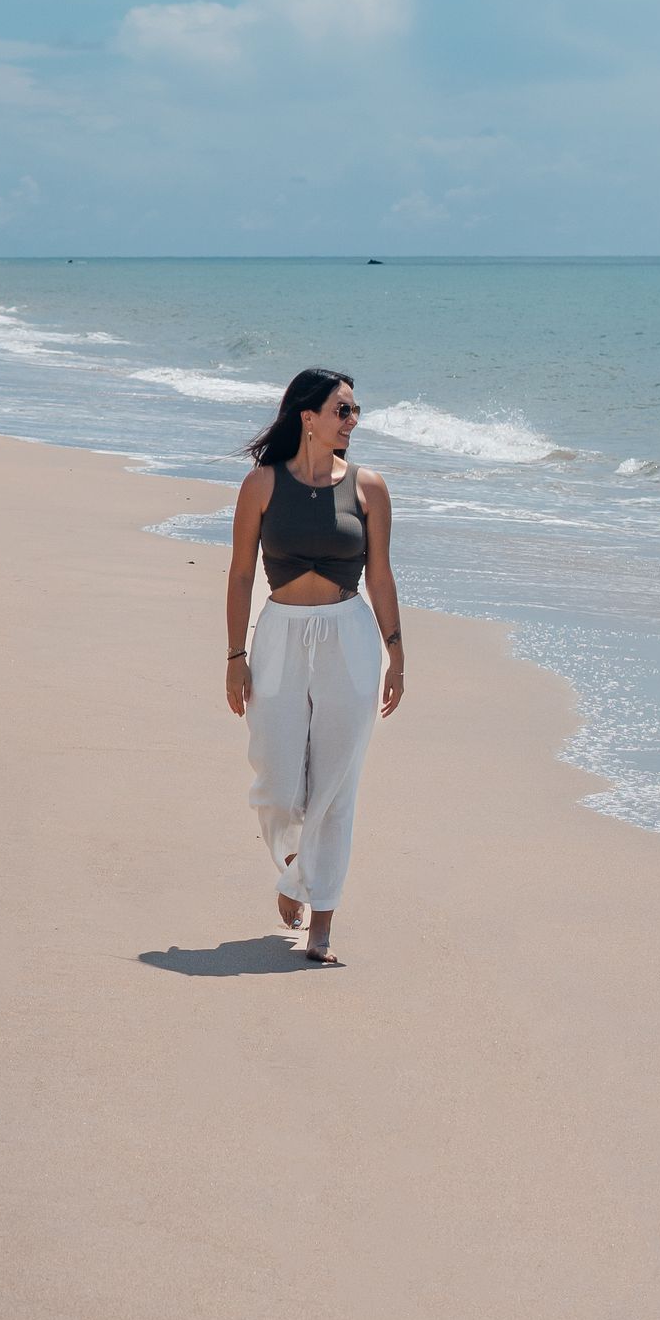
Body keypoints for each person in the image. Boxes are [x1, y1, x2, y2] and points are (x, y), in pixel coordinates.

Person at [224, 369, 404, 965]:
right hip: (278, 635)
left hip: (349, 638)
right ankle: (295, 867)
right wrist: (235, 656)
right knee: (277, 779)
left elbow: (379, 575)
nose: (353, 421)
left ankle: (322, 920)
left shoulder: (368, 487)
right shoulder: (261, 485)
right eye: (343, 410)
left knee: (336, 784)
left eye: (355, 411)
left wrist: (396, 652)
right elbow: (242, 575)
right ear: (309, 417)